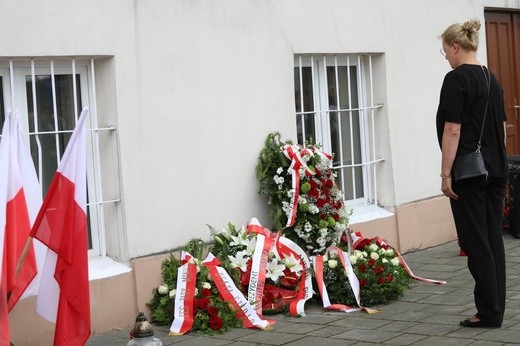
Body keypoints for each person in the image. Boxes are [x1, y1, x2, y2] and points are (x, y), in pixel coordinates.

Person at [436, 18, 508, 328]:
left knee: (475, 241)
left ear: (455, 47)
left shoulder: (456, 80)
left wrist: (445, 174)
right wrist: (500, 165)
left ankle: (488, 313)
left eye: (445, 51)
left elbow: (452, 130)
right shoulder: (492, 79)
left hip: (469, 173)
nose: (447, 58)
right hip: (496, 169)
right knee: (492, 239)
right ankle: (495, 309)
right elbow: (501, 129)